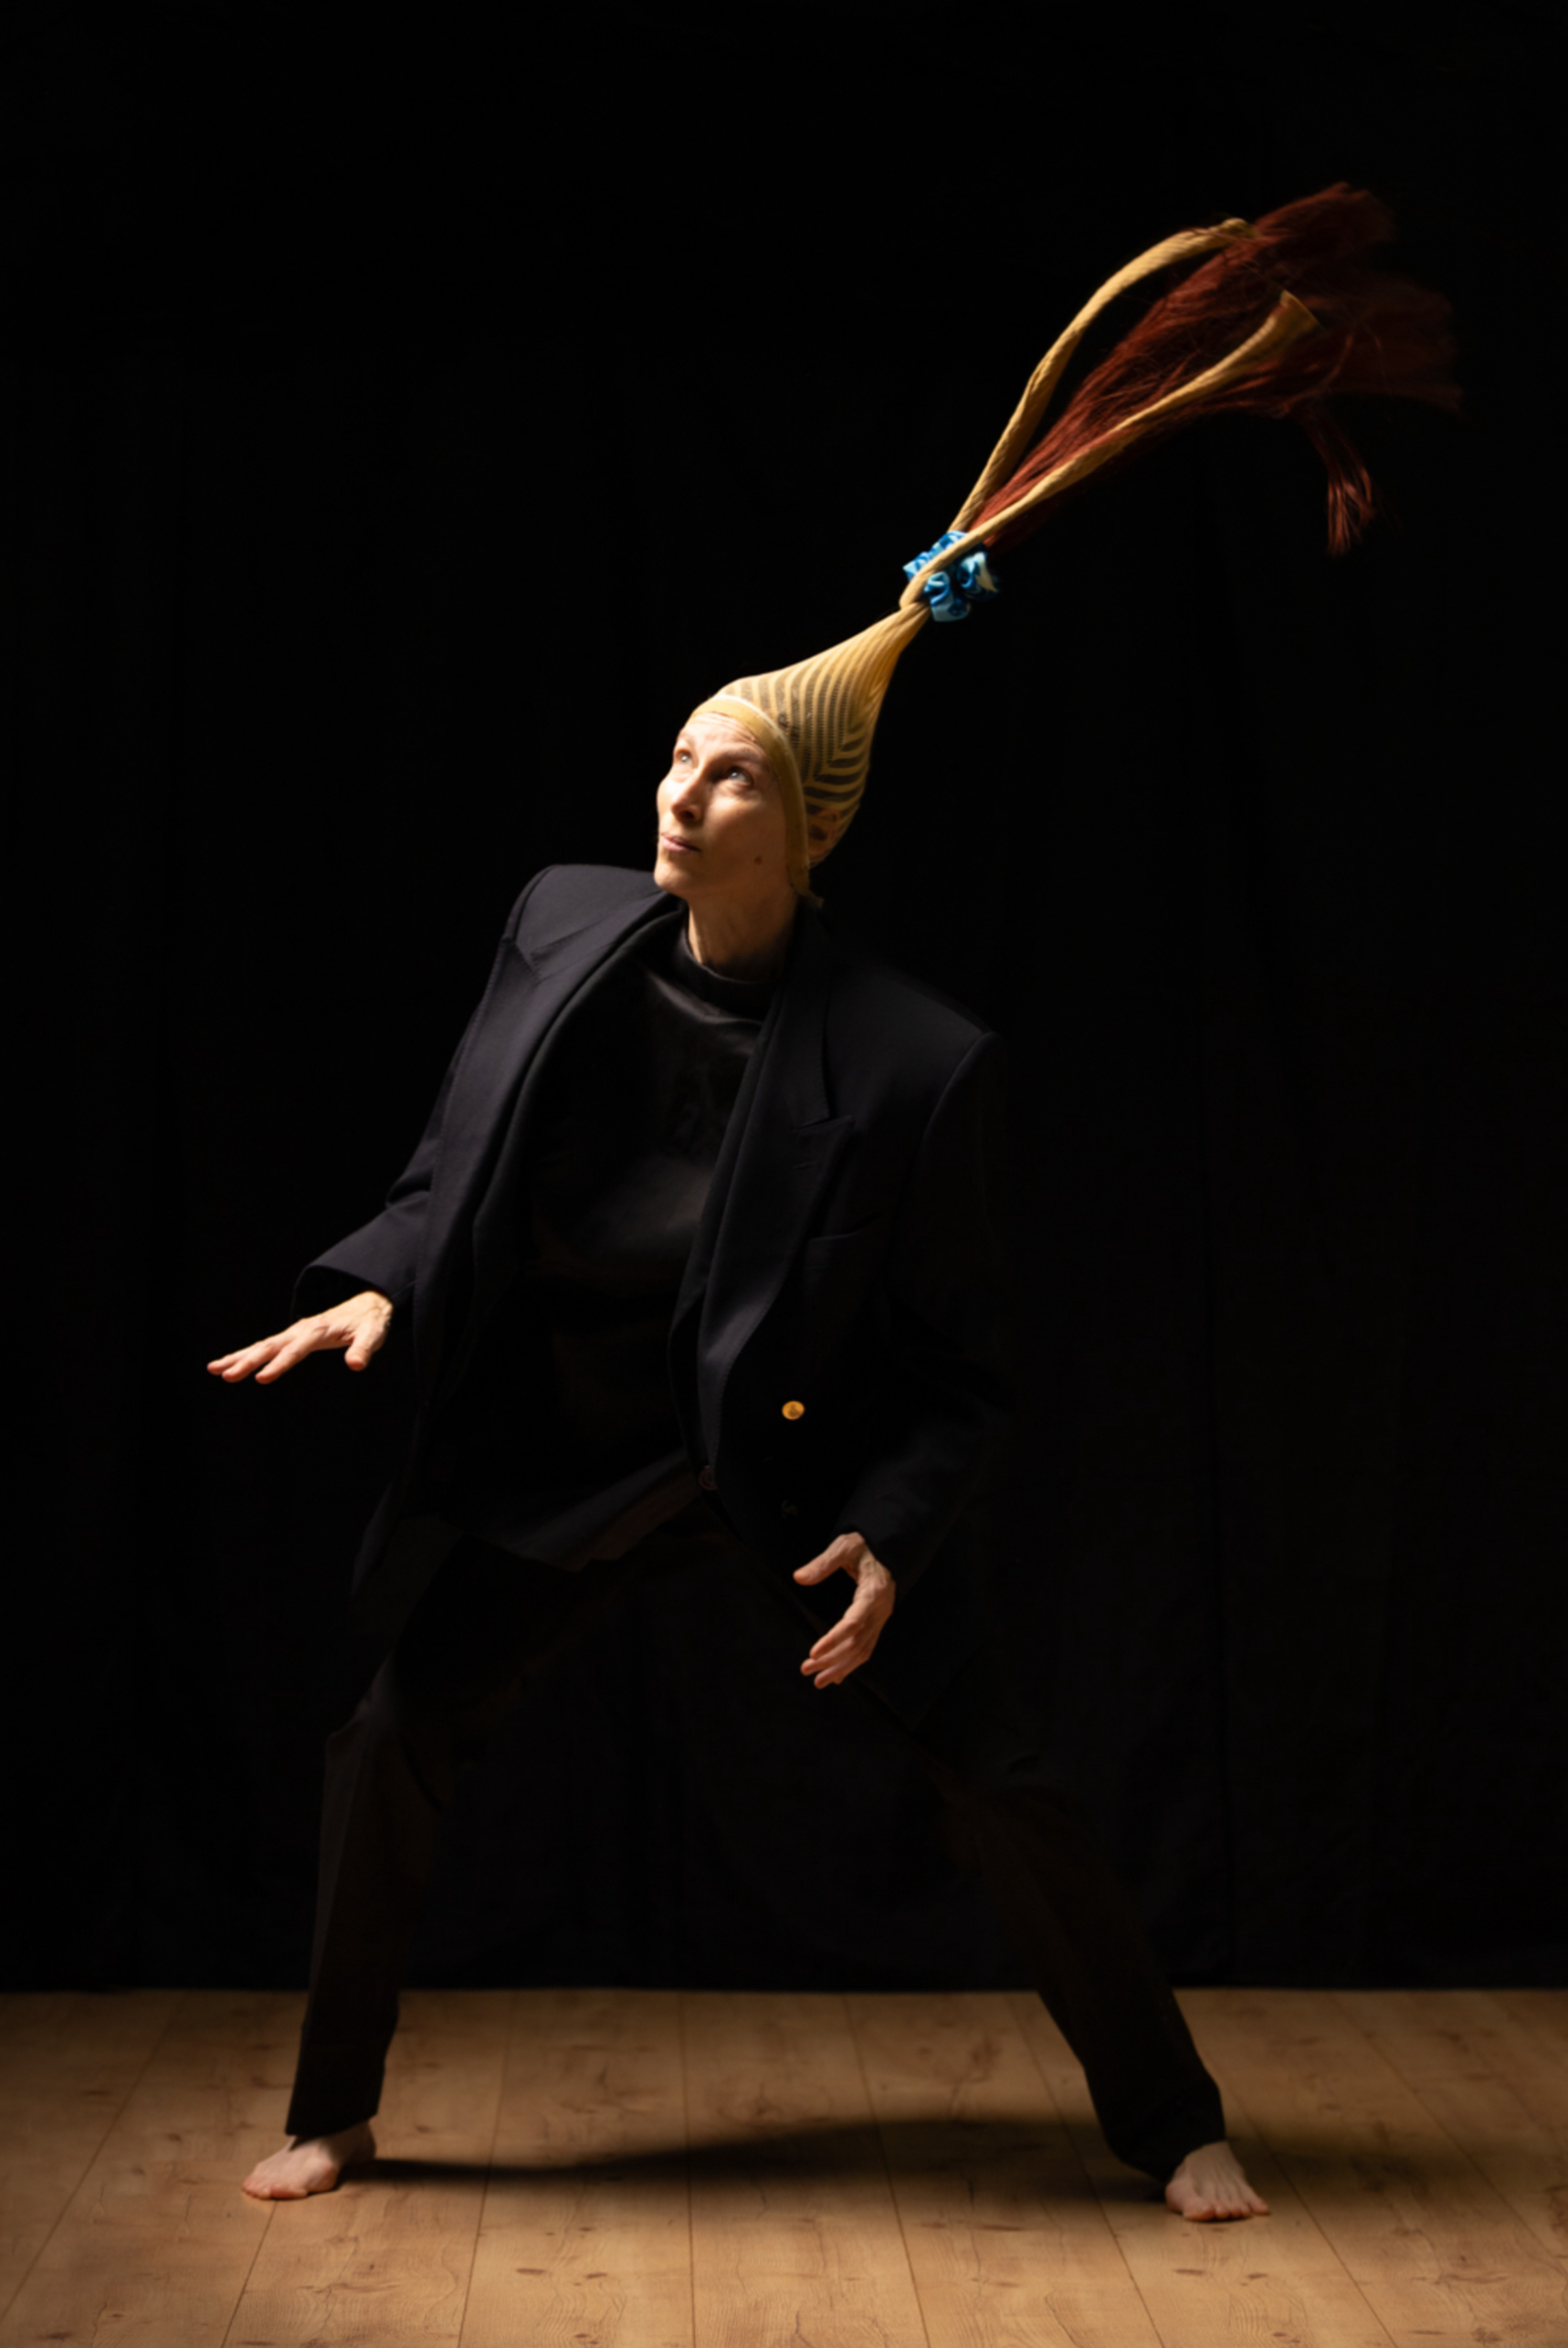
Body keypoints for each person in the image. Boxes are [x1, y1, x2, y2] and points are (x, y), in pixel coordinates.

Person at [211, 188, 1453, 2216]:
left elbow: (962, 1368)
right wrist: (381, 1283)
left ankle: (1176, 2123)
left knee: (1004, 1781)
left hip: (791, 1466)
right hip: (573, 1442)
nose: (676, 794)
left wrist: (887, 1530)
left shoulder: (907, 1058)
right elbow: (458, 1164)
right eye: (678, 758)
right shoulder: (561, 927)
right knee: (389, 1737)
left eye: (726, 779)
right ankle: (330, 2106)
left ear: (804, 833)